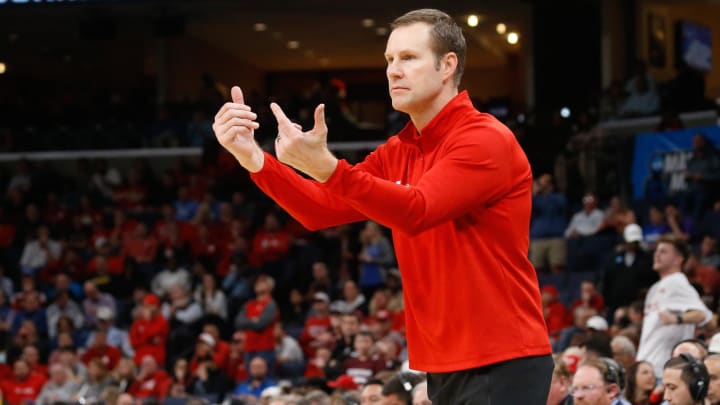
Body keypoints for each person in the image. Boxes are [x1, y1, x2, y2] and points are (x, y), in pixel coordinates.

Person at [212, 8, 552, 403]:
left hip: (502, 356)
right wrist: (252, 157)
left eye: (408, 58)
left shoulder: (485, 139)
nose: (392, 70)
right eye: (389, 60)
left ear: (447, 65)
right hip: (444, 362)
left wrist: (327, 168)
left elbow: (416, 211)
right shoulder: (399, 150)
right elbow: (320, 209)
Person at [636, 236, 711, 378]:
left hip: (662, 369)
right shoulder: (655, 287)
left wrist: (676, 318)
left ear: (678, 259)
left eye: (663, 251)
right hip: (648, 365)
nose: (656, 255)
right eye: (656, 251)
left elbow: (702, 315)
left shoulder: (677, 281)